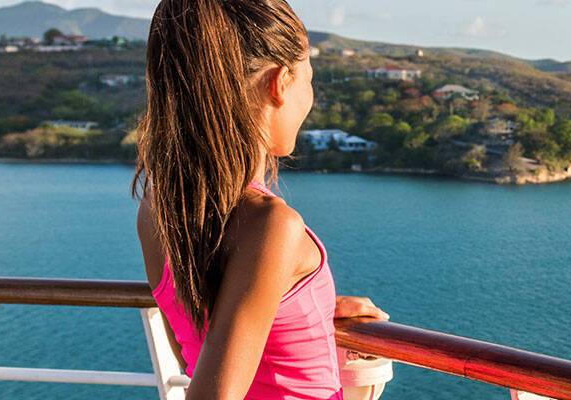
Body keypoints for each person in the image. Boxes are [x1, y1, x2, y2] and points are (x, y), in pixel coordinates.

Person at [131, 1, 386, 399]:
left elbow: (197, 349)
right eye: (309, 79)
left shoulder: (158, 208)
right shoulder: (272, 225)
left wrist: (312, 311)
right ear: (279, 83)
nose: (310, 98)